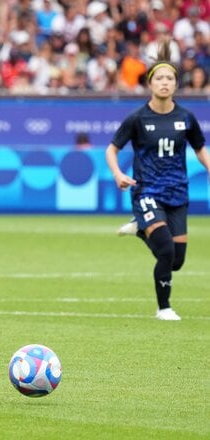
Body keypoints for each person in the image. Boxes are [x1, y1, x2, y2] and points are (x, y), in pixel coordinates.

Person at [105, 41, 209, 321]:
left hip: (178, 192)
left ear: (176, 84)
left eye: (170, 78)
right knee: (164, 249)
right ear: (150, 83)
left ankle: (141, 229)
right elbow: (112, 149)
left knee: (176, 260)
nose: (165, 83)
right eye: (159, 78)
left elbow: (200, 149)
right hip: (147, 191)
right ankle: (164, 308)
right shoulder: (138, 119)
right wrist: (117, 174)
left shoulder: (185, 118)